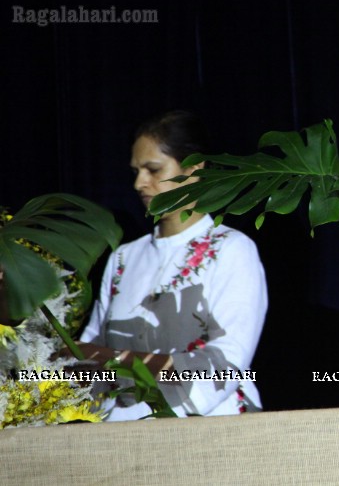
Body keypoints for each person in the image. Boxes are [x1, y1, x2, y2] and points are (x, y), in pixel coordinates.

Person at [78, 110, 268, 420]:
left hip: (210, 428)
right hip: (118, 437)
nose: (140, 183)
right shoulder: (124, 258)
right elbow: (89, 352)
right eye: (136, 171)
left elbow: (228, 360)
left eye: (153, 169)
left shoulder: (231, 249)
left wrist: (156, 416)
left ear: (193, 169)